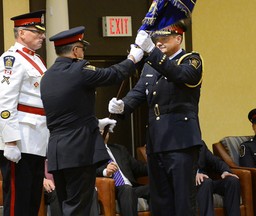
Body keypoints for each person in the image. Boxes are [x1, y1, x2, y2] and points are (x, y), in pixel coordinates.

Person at [40, 26, 143, 215]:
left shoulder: (47, 76)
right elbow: (112, 75)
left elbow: (68, 113)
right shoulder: (79, 69)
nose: (83, 52)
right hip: (78, 150)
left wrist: (95, 123)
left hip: (57, 151)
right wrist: (132, 59)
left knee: (66, 205)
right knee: (80, 207)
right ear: (75, 50)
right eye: (82, 48)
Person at [108, 21, 204, 216]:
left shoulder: (191, 60)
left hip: (180, 142)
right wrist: (122, 106)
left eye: (164, 38)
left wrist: (151, 51)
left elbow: (178, 74)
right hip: (156, 141)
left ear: (179, 38)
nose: (159, 43)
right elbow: (138, 93)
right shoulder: (150, 67)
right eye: (156, 40)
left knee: (184, 201)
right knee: (160, 201)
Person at [0, 10, 49, 216]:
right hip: (20, 138)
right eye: (36, 32)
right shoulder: (11, 59)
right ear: (21, 33)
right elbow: (5, 102)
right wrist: (10, 141)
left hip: (38, 138)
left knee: (32, 200)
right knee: (17, 203)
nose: (42, 36)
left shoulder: (36, 59)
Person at [96, 132, 149, 216]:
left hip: (131, 188)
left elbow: (138, 168)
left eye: (105, 129)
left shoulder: (119, 149)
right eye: (100, 129)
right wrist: (105, 171)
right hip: (112, 190)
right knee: (126, 189)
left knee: (154, 188)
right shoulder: (90, 152)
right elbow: (89, 172)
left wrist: (155, 162)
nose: (103, 132)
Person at [196, 142, 241, 216]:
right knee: (205, 181)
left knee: (232, 181)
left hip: (207, 182)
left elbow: (215, 161)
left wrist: (225, 171)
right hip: (190, 184)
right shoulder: (178, 146)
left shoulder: (200, 144)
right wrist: (193, 174)